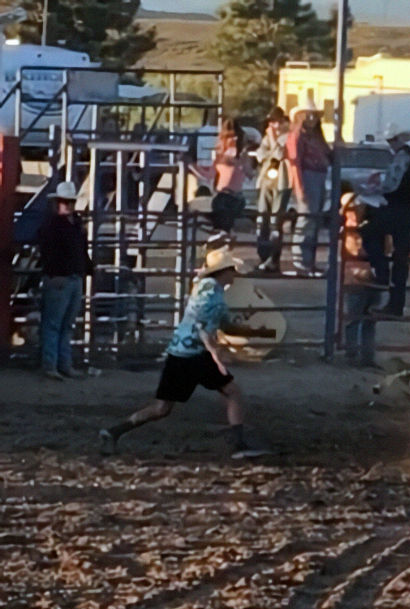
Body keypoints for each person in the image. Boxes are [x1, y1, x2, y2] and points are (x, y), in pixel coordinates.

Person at [98, 249, 265, 459]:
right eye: (232, 270)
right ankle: (238, 445)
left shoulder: (205, 289)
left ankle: (115, 432)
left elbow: (219, 323)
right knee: (233, 393)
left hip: (179, 352)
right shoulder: (215, 298)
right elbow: (209, 327)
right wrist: (217, 353)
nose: (235, 275)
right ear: (225, 271)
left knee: (162, 408)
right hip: (196, 354)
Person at [362, 122, 410, 319]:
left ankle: (381, 273)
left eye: (392, 139)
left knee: (369, 233)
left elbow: (392, 185)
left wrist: (376, 187)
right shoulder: (409, 157)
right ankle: (395, 303)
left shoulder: (403, 157)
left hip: (402, 211)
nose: (391, 143)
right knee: (401, 258)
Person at [37, 181, 93, 380]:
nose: (68, 205)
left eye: (69, 201)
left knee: (59, 324)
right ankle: (57, 365)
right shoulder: (61, 225)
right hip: (66, 278)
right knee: (60, 325)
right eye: (65, 201)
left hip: (67, 278)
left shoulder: (63, 224)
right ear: (58, 202)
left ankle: (57, 365)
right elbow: (49, 253)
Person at [286, 97, 331, 275]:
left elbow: (329, 154)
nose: (311, 118)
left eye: (314, 115)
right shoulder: (296, 136)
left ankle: (309, 261)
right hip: (308, 177)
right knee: (306, 220)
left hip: (320, 177)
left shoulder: (318, 137)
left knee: (314, 221)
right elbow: (295, 163)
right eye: (308, 114)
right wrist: (299, 187)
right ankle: (300, 261)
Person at [341, 193, 384, 368]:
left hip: (368, 278)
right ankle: (355, 355)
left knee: (367, 319)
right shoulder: (349, 231)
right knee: (358, 318)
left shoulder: (365, 229)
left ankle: (365, 356)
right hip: (358, 279)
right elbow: (359, 252)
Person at [255, 106, 291, 273]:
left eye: (277, 122)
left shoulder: (288, 137)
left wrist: (272, 141)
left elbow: (279, 154)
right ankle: (263, 256)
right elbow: (261, 154)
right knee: (263, 219)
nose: (274, 125)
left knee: (275, 222)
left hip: (281, 183)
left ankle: (273, 260)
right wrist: (269, 146)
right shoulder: (267, 138)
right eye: (272, 122)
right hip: (266, 182)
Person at [210, 117, 249, 236]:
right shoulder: (219, 155)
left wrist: (240, 162)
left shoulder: (241, 156)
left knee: (224, 208)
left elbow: (249, 173)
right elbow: (212, 173)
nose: (232, 140)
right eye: (228, 137)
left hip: (234, 196)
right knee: (219, 205)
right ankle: (221, 235)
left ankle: (224, 234)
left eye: (235, 137)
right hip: (221, 194)